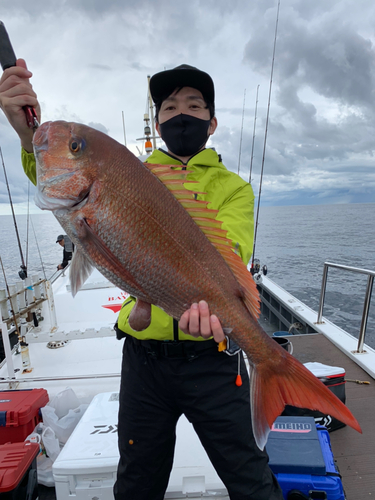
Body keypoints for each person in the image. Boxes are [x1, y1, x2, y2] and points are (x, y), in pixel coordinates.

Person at [0, 61, 283, 500]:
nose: (180, 114)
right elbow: (60, 182)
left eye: (193, 105)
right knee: (136, 483)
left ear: (212, 122)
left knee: (251, 480)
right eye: (169, 107)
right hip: (144, 360)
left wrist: (224, 311)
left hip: (214, 358)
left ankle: (273, 368)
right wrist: (26, 137)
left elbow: (234, 257)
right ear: (157, 121)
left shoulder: (232, 188)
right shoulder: (129, 173)